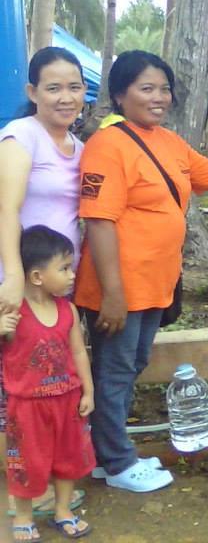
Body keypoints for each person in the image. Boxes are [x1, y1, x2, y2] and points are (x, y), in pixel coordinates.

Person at [74, 50, 208, 493]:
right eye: (145, 88)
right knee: (115, 371)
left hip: (155, 283)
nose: (158, 97)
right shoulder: (107, 146)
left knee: (131, 363)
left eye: (164, 88)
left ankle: (105, 452)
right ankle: (117, 463)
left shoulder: (167, 142)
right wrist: (113, 294)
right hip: (120, 286)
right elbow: (99, 221)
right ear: (119, 94)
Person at [0, 47, 88, 519]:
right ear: (32, 92)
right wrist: (13, 277)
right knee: (15, 394)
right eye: (53, 87)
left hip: (56, 289)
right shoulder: (20, 137)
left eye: (74, 86)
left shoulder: (81, 146)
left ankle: (54, 482)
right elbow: (5, 209)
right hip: (17, 285)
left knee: (52, 388)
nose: (66, 96)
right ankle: (22, 490)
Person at [5, 226, 95, 541]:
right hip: (27, 406)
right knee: (26, 462)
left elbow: (78, 353)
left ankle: (63, 510)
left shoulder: (67, 310)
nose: (72, 275)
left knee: (68, 458)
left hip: (67, 400)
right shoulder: (11, 313)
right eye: (65, 268)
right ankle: (24, 516)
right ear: (37, 276)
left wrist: (88, 390)